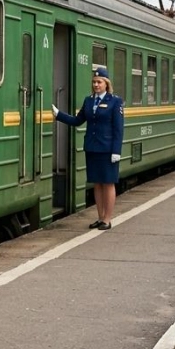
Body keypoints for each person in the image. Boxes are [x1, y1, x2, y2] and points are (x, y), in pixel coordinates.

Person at [52, 67, 125, 229]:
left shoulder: (115, 102)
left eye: (99, 82)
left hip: (107, 150)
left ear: (106, 84)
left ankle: (107, 219)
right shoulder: (89, 100)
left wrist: (116, 151)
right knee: (97, 184)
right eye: (94, 82)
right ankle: (100, 217)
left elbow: (118, 129)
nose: (96, 85)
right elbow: (78, 121)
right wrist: (59, 115)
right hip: (92, 148)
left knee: (108, 183)